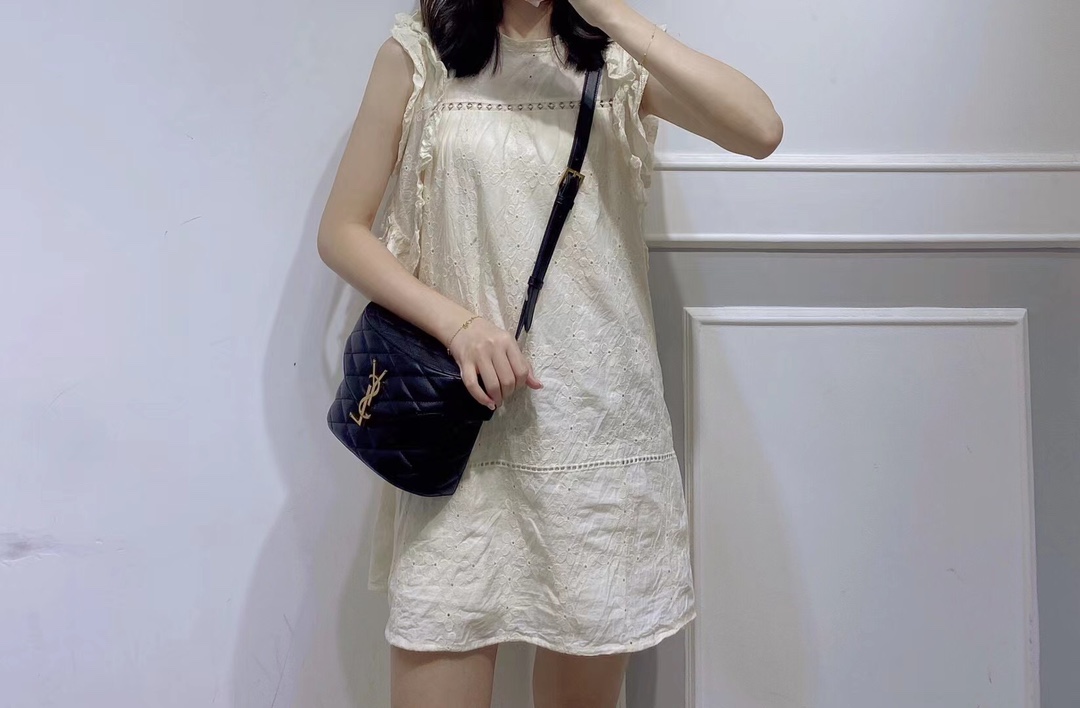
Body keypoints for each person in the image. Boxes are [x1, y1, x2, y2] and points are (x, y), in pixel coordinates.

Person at [317, 0, 782, 705]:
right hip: (462, 440)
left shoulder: (617, 61)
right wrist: (459, 326)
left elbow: (760, 130)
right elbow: (342, 231)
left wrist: (607, 13)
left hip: (594, 442)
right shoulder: (420, 54)